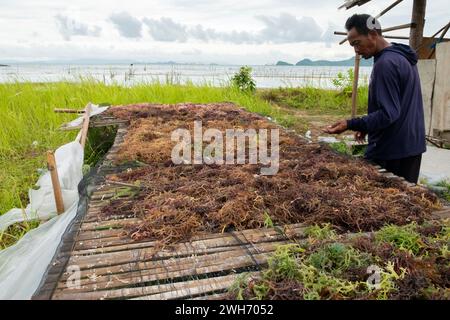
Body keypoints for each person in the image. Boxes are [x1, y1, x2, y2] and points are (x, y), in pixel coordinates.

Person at [323, 14, 426, 184]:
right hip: (411, 147)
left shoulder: (385, 64)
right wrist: (370, 127)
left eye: (357, 43)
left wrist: (351, 124)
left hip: (391, 151)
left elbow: (388, 114)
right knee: (406, 205)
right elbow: (398, 107)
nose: (356, 50)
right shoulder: (402, 57)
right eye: (352, 45)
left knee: (386, 204)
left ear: (373, 35)